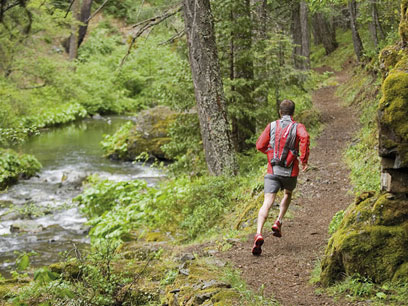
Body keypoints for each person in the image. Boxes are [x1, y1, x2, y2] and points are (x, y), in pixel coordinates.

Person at [252, 99, 310, 256]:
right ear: (293, 113)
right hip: (290, 172)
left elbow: (259, 145)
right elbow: (304, 137)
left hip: (272, 170)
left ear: (280, 112)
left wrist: (270, 153)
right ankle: (279, 221)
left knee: (267, 201)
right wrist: (304, 159)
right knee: (287, 194)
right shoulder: (298, 127)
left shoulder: (272, 126)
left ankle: (258, 233)